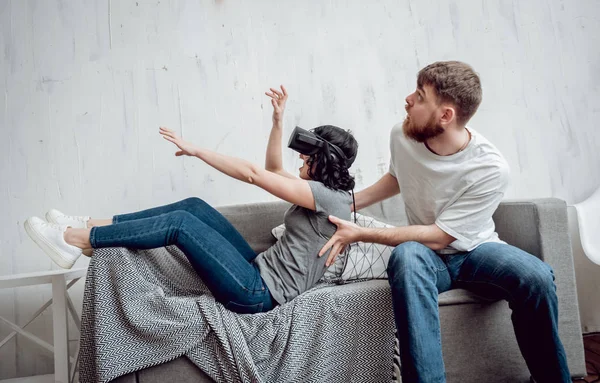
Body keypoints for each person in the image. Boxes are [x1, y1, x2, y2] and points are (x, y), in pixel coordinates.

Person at [318, 61, 571, 382]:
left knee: (535, 276)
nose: (408, 100)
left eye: (420, 96)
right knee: (407, 257)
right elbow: (397, 178)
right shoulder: (402, 134)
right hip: (428, 258)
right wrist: (345, 206)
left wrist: (361, 233)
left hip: (476, 252)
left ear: (446, 115)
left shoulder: (489, 167)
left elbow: (440, 236)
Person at [24, 86, 359, 315]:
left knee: (181, 224)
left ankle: (75, 240)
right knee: (195, 208)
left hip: (258, 294)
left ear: (325, 159)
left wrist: (198, 150)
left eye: (307, 155)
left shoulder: (329, 199)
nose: (300, 160)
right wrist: (277, 120)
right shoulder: (324, 194)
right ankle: (90, 224)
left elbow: (256, 175)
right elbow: (273, 168)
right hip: (255, 271)